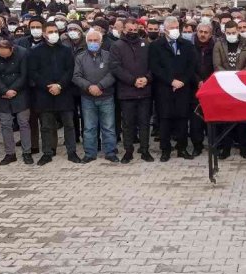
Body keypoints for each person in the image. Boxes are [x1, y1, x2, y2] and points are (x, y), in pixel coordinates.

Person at [27, 22, 81, 165]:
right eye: (50, 31)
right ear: (44, 34)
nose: (54, 34)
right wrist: (48, 86)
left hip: (64, 92)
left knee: (69, 124)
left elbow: (69, 70)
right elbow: (33, 72)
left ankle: (72, 152)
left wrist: (59, 85)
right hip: (44, 93)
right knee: (46, 126)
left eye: (56, 31)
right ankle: (47, 152)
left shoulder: (66, 50)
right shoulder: (35, 51)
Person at [149, 16, 197, 161]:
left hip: (183, 88)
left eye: (177, 28)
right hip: (164, 88)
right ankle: (165, 150)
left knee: (182, 119)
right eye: (171, 28)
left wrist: (182, 81)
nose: (175, 30)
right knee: (165, 119)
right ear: (165, 30)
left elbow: (191, 65)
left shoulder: (187, 45)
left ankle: (182, 148)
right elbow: (155, 67)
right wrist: (171, 81)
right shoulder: (156, 46)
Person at [109, 18, 154, 163]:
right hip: (126, 91)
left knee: (144, 122)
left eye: (135, 30)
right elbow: (115, 67)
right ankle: (128, 151)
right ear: (124, 30)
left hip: (145, 90)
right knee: (128, 124)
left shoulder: (145, 44)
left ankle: (145, 150)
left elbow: (153, 65)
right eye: (130, 30)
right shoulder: (117, 46)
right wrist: (133, 81)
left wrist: (147, 78)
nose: (133, 33)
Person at [213, 19, 246, 158]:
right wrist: (229, 78)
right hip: (225, 85)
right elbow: (217, 64)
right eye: (228, 33)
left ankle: (244, 148)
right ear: (225, 32)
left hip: (242, 85)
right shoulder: (219, 44)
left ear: (238, 31)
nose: (231, 35)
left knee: (242, 119)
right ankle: (226, 148)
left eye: (234, 32)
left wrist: (239, 76)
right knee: (226, 119)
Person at [74, 28, 117, 163]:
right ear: (86, 42)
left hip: (106, 96)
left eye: (96, 40)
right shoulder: (80, 57)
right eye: (90, 40)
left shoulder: (109, 56)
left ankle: (110, 152)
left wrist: (100, 86)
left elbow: (113, 73)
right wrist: (89, 87)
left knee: (109, 127)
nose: (93, 43)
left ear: (101, 41)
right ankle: (90, 153)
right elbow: (76, 76)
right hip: (87, 98)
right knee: (89, 127)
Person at [0, 38, 33, 165]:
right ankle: (10, 153)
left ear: (12, 49)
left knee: (23, 123)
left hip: (20, 91)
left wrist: (13, 89)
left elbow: (24, 74)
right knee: (5, 123)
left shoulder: (23, 53)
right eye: (1, 55)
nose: (4, 58)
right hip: (1, 93)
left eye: (6, 55)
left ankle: (27, 152)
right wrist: (4, 90)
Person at [189, 21, 216, 156]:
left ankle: (213, 144)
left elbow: (217, 65)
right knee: (195, 120)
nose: (203, 35)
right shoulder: (190, 46)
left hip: (211, 87)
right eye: (201, 32)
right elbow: (188, 66)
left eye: (206, 32)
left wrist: (208, 82)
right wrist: (198, 80)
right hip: (194, 87)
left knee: (211, 118)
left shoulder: (216, 46)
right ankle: (197, 145)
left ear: (210, 34)